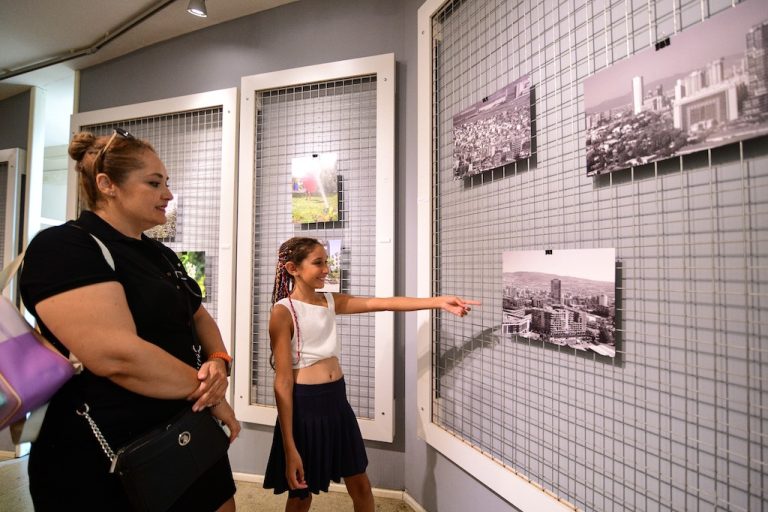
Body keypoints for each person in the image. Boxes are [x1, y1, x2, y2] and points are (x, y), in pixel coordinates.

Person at [19, 128, 240, 511]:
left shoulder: (160, 254)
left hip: (187, 432)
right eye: (154, 183)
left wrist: (218, 362)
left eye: (167, 183)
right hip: (105, 450)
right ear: (107, 185)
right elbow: (117, 355)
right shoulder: (64, 247)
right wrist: (210, 392)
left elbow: (199, 316)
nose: (168, 195)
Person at [262, 236, 480, 512]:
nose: (327, 269)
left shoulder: (330, 301)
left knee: (361, 484)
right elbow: (282, 383)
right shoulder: (282, 312)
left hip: (337, 403)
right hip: (306, 408)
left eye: (326, 262)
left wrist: (438, 301)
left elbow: (384, 302)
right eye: (318, 263)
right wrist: (289, 445)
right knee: (302, 494)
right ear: (293, 268)